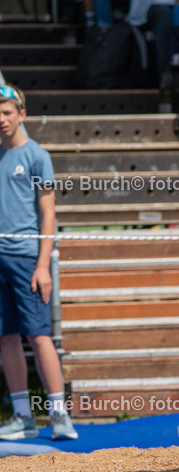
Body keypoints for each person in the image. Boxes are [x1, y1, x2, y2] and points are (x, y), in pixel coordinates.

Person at [0, 85, 78, 441]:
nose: (2, 119)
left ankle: (59, 415)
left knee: (39, 335)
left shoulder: (37, 156)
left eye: (7, 112)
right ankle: (22, 415)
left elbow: (48, 214)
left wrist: (43, 264)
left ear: (22, 115)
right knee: (6, 336)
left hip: (28, 258)